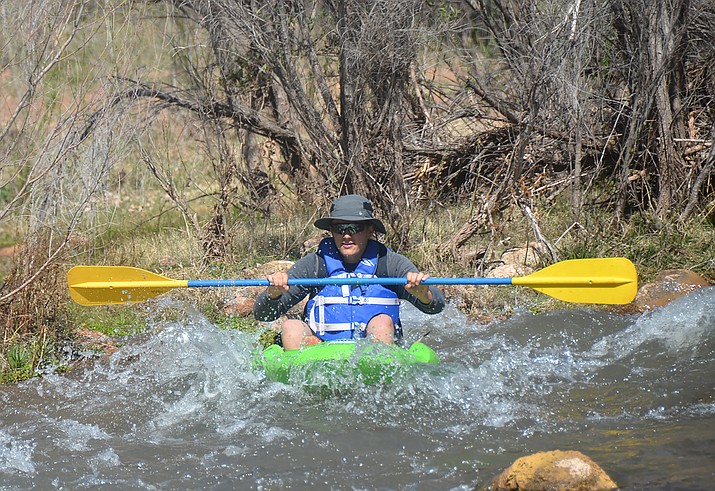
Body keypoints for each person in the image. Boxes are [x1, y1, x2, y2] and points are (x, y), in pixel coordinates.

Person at [253, 194, 445, 350]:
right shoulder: (314, 265)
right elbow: (263, 314)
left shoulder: (390, 263)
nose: (346, 235)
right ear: (331, 231)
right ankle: (302, 377)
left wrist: (423, 294)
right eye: (340, 228)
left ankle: (379, 371)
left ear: (370, 230)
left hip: (373, 349)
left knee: (382, 323)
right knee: (291, 327)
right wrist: (273, 294)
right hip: (322, 350)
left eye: (355, 227)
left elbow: (437, 305)